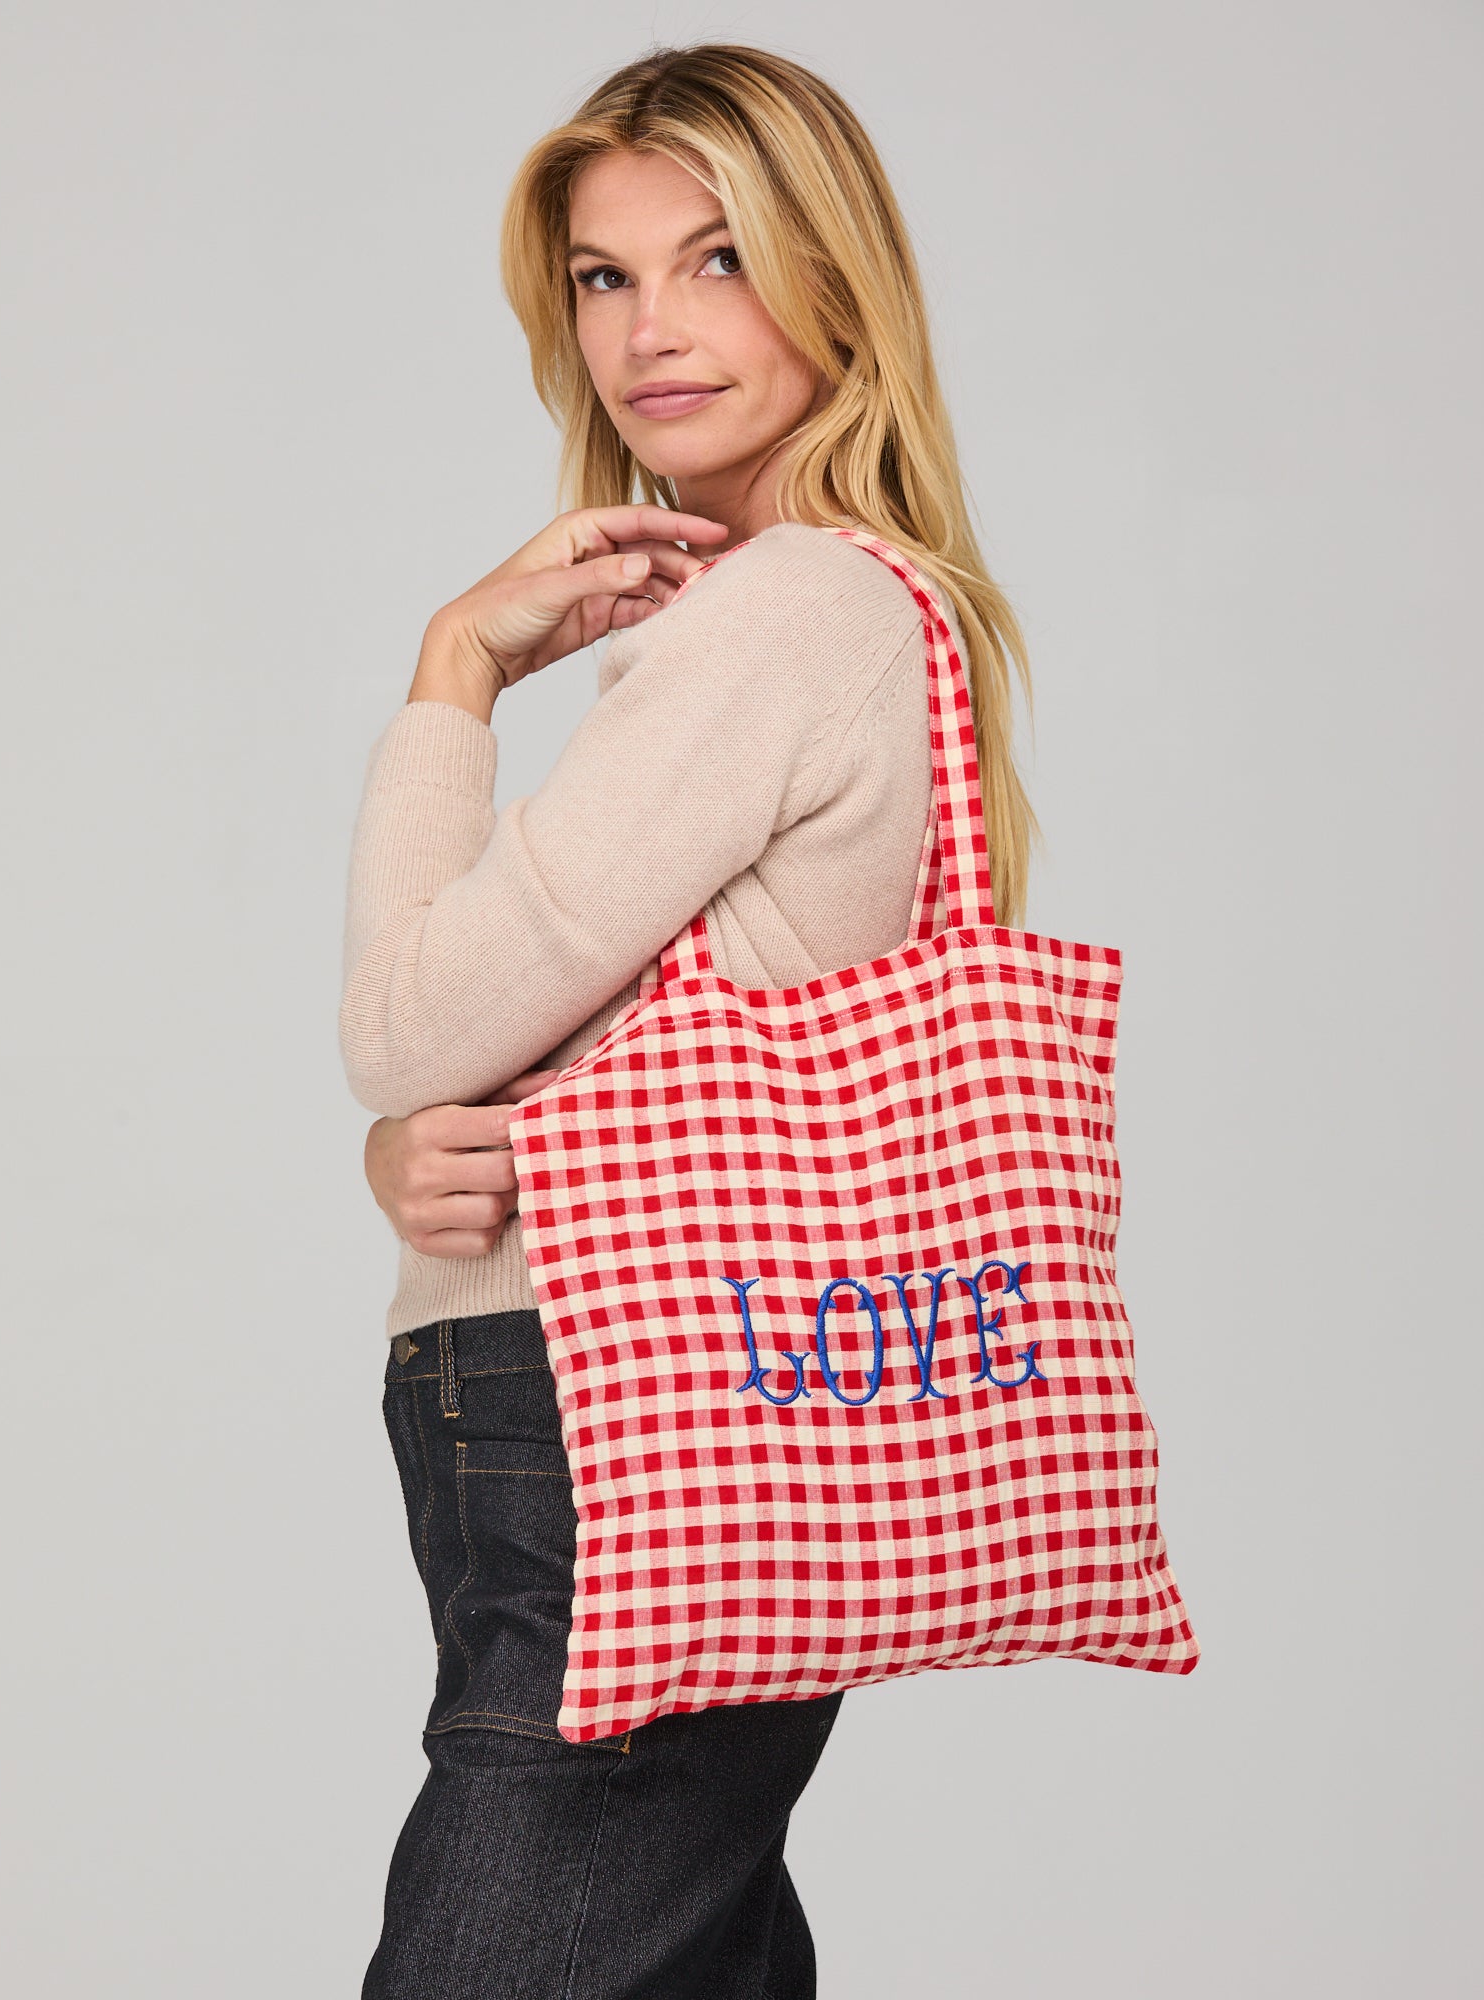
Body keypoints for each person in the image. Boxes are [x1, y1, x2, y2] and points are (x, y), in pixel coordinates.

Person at [338, 40, 1039, 1999]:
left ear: (833, 274)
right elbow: (506, 1063)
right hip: (707, 1409)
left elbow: (411, 1022)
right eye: (602, 273)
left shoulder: (792, 606)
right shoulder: (849, 609)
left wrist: (452, 669)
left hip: (617, 1428)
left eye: (717, 256)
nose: (651, 327)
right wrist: (410, 1147)